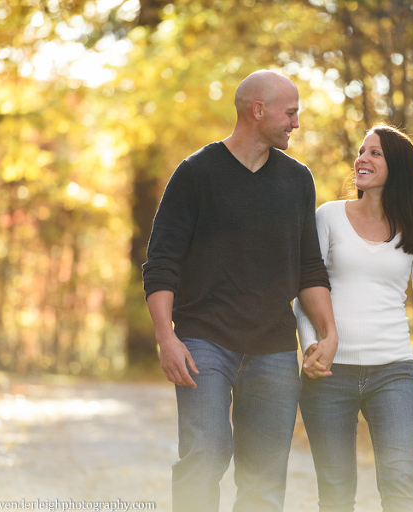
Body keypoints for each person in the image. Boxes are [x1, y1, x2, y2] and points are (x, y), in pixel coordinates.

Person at [142, 70, 338, 512]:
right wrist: (166, 338)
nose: (296, 123)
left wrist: (329, 333)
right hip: (203, 343)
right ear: (258, 110)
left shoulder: (297, 180)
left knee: (264, 479)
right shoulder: (196, 174)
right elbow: (161, 265)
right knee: (205, 456)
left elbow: (310, 266)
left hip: (273, 349)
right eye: (290, 113)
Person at [295, 124, 413, 512]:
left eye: (375, 153)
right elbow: (305, 289)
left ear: (397, 167)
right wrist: (312, 347)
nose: (362, 159)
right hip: (330, 375)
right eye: (360, 151)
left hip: (394, 372)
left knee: (400, 486)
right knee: (336, 494)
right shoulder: (329, 216)